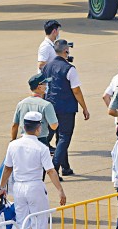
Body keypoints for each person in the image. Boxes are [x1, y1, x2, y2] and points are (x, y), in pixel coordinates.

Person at [0, 112, 65, 229]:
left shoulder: (13, 145)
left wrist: (2, 187)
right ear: (39, 128)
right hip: (35, 187)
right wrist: (60, 190)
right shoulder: (41, 148)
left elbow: (8, 168)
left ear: (24, 127)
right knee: (39, 221)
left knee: (21, 221)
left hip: (18, 187)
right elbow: (50, 171)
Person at [42, 39, 90, 178]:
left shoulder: (47, 67)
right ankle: (55, 167)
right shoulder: (69, 69)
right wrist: (84, 108)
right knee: (64, 137)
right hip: (66, 108)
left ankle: (66, 167)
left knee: (58, 137)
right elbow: (76, 91)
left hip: (50, 106)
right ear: (66, 51)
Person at [11, 74, 58, 146]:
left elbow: (14, 125)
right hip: (40, 141)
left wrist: (13, 141)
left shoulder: (21, 103)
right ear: (39, 87)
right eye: (45, 84)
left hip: (24, 140)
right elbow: (54, 126)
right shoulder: (46, 105)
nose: (46, 86)